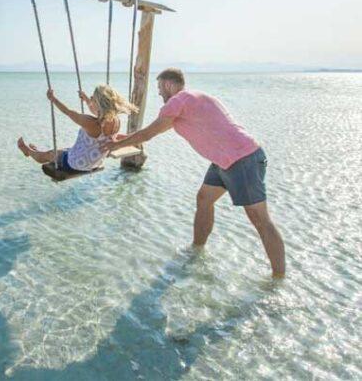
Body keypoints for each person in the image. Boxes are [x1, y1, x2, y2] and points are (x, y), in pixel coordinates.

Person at [101, 68, 286, 277]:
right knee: (204, 198)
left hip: (242, 160)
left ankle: (278, 278)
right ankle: (197, 250)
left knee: (260, 220)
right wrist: (123, 139)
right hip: (223, 161)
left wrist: (117, 145)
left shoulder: (178, 101)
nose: (160, 93)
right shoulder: (193, 99)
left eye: (160, 88)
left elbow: (150, 133)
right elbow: (157, 129)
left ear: (170, 85)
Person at [18, 85, 137, 173]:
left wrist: (53, 99)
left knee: (49, 155)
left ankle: (28, 151)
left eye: (93, 98)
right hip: (95, 162)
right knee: (61, 151)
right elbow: (96, 111)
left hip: (76, 163)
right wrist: (86, 100)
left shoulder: (90, 122)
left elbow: (68, 112)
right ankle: (36, 151)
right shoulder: (115, 121)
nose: (91, 99)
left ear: (99, 103)